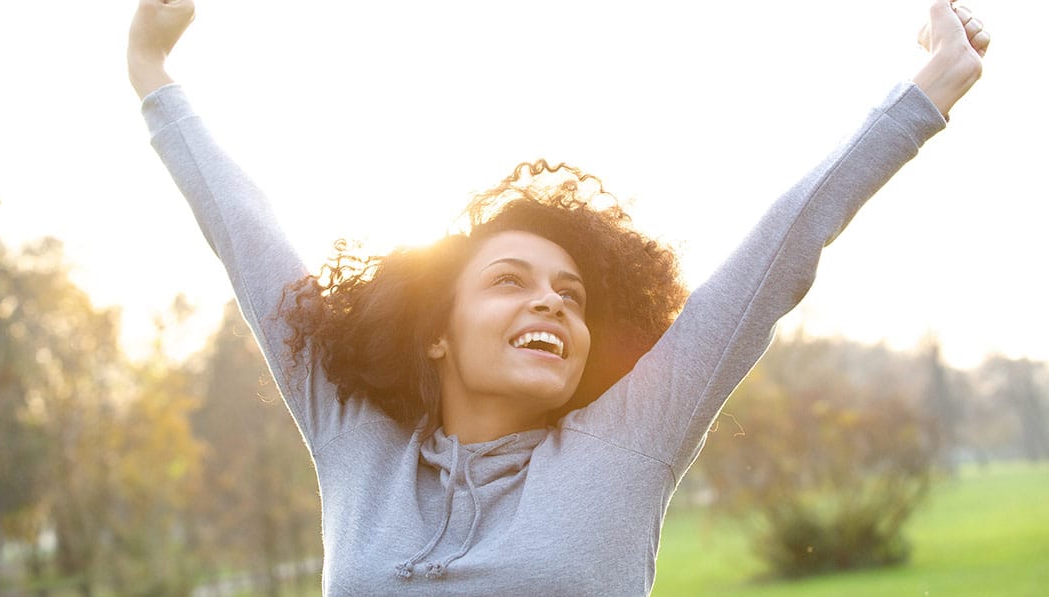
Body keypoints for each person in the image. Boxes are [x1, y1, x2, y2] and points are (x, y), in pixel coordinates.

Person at [127, 0, 990, 594]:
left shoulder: (626, 442)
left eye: (570, 296)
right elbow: (249, 241)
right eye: (511, 281)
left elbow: (779, 248)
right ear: (438, 331)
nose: (551, 306)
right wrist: (151, 70)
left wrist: (928, 91)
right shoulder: (360, 444)